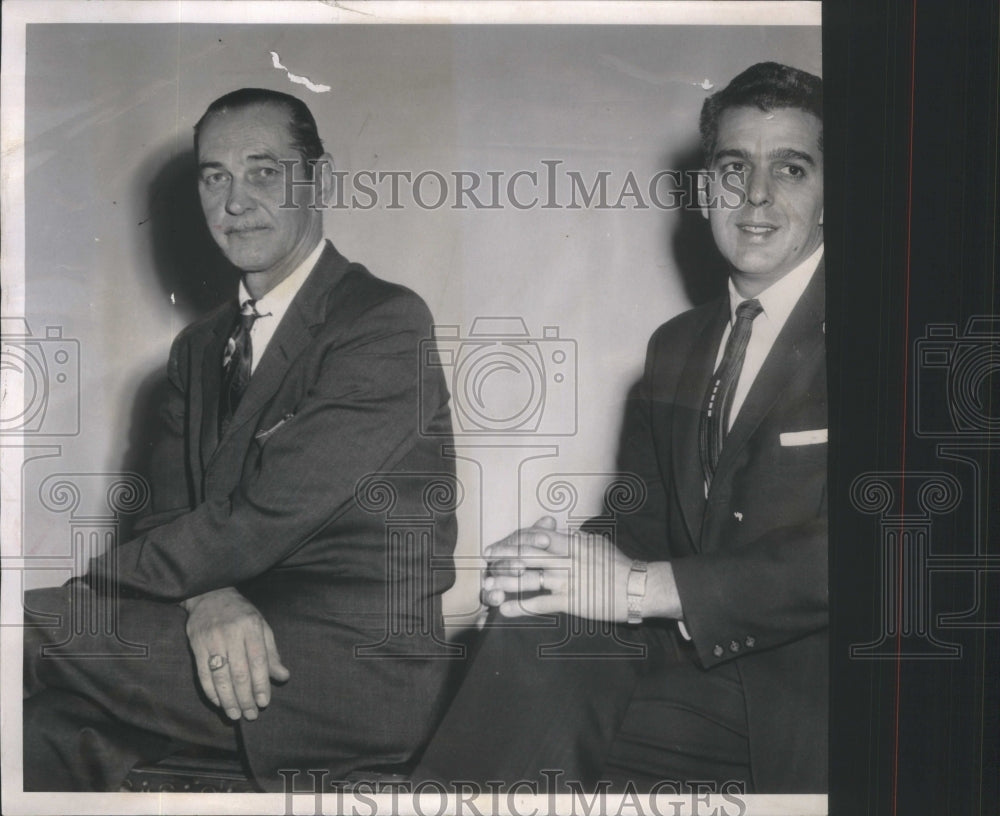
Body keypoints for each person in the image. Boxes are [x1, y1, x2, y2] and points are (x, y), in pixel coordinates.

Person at [22, 88, 457, 792]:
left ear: (320, 178)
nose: (234, 201)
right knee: (40, 730)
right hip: (223, 641)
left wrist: (93, 584)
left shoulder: (383, 322)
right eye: (213, 176)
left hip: (348, 675)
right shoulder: (198, 348)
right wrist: (210, 598)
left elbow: (260, 521)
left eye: (263, 171)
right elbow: (166, 516)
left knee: (25, 628)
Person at [414, 62, 827, 793]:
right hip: (690, 671)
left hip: (815, 695)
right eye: (734, 169)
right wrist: (555, 564)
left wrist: (638, 590)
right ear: (704, 192)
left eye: (790, 169)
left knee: (521, 690)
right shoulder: (677, 344)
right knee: (531, 634)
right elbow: (639, 527)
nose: (756, 195)